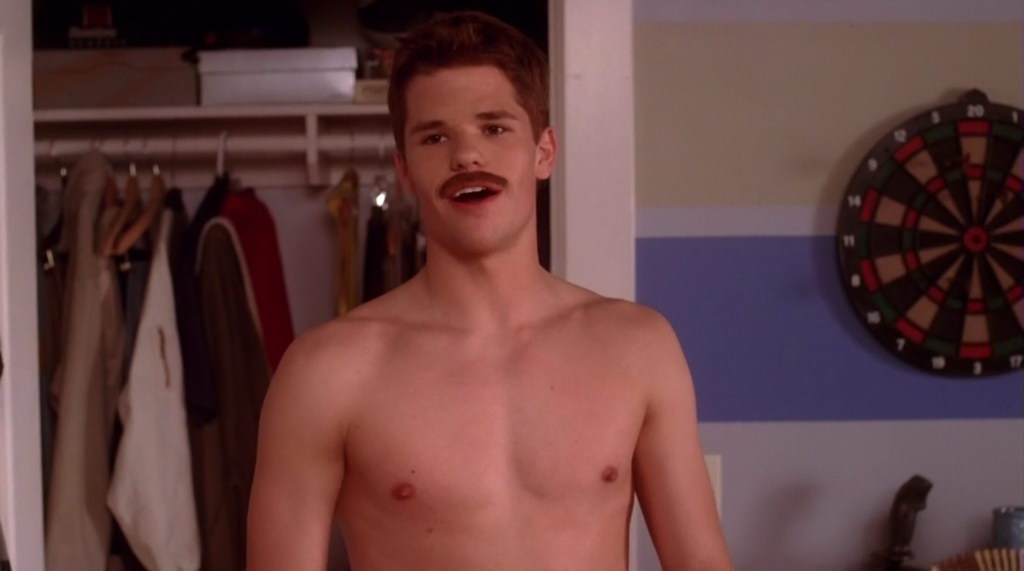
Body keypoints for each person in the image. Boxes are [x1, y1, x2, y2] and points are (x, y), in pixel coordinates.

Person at [247, 11, 732, 570]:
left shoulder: (639, 346)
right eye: (435, 137)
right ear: (405, 171)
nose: (466, 156)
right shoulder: (326, 370)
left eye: (494, 128)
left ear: (544, 152)